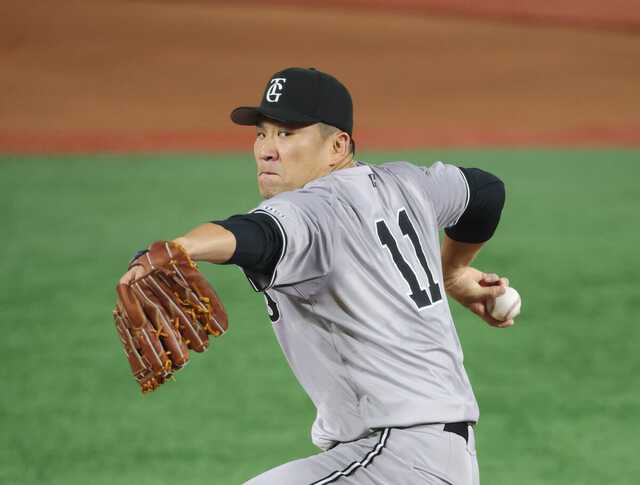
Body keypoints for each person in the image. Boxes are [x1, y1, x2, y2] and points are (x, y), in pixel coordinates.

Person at [120, 67, 511, 485]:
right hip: (424, 456)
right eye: (261, 134)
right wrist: (453, 272)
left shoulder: (312, 208)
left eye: (286, 134)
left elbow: (257, 236)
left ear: (337, 146)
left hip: (398, 459)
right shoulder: (408, 184)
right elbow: (485, 192)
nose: (266, 150)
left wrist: (183, 246)